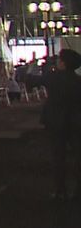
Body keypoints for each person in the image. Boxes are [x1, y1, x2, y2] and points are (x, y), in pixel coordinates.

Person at [41, 48, 81, 201]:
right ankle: (78, 191)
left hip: (56, 123)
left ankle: (60, 190)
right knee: (78, 157)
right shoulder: (78, 81)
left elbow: (34, 80)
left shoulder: (53, 78)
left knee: (59, 157)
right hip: (76, 123)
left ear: (63, 63)